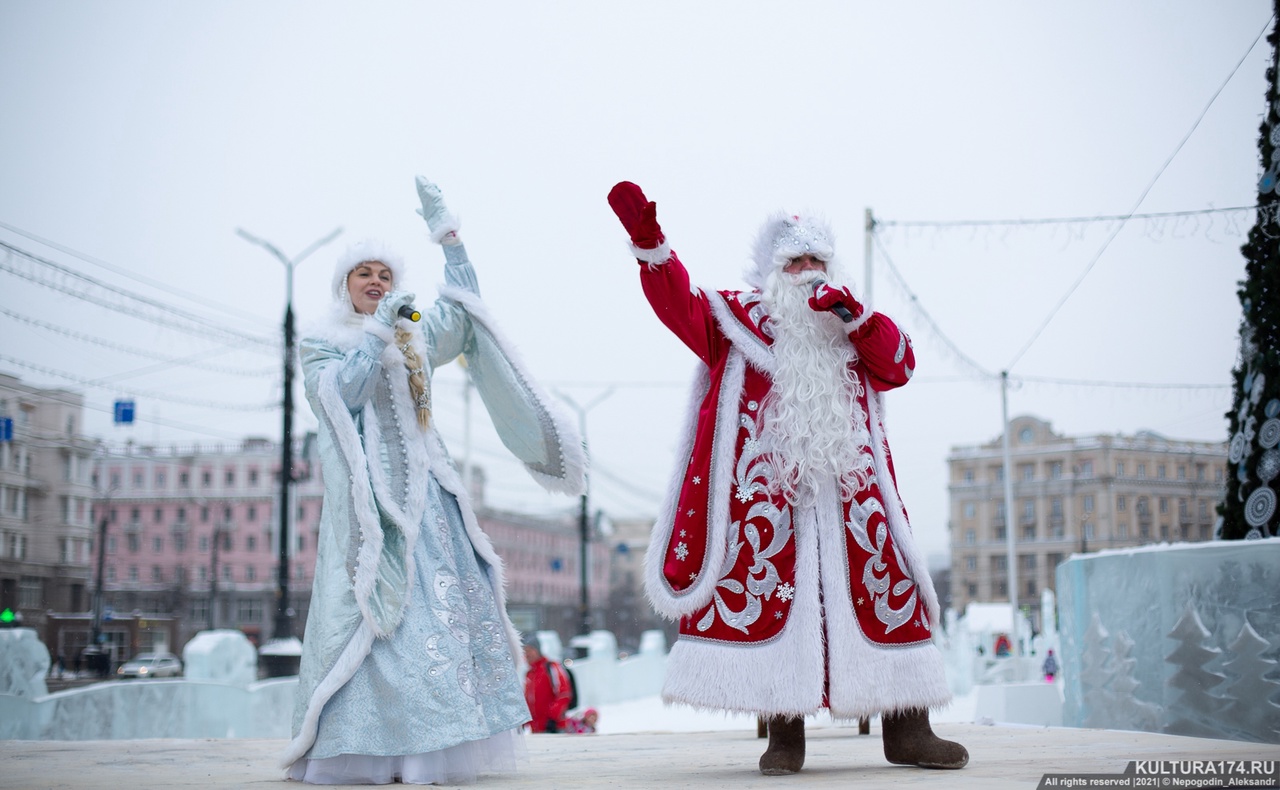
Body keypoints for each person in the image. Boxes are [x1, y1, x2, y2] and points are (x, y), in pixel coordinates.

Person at [606, 182, 969, 775]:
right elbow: (681, 308)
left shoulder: (852, 322)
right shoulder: (732, 321)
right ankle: (785, 735)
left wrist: (856, 319)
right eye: (793, 262)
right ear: (771, 271)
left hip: (856, 499)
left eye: (815, 261)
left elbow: (899, 366)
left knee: (889, 590)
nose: (806, 272)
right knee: (780, 599)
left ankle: (909, 729)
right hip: (772, 499)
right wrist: (651, 247)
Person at [280, 176, 586, 785]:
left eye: (385, 275)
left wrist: (448, 238)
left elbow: (466, 307)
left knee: (438, 619)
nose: (376, 283)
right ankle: (368, 749)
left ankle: (432, 749)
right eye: (364, 274)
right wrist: (376, 334)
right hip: (372, 516)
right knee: (379, 617)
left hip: (430, 500)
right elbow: (343, 395)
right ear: (345, 286)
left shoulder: (412, 333)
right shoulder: (322, 343)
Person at [522, 636, 573, 734]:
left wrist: (552, 718)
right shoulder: (529, 674)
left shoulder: (551, 667)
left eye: (530, 649)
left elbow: (564, 693)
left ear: (538, 650)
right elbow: (528, 701)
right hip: (536, 730)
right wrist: (524, 721)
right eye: (524, 651)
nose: (527, 654)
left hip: (554, 728)